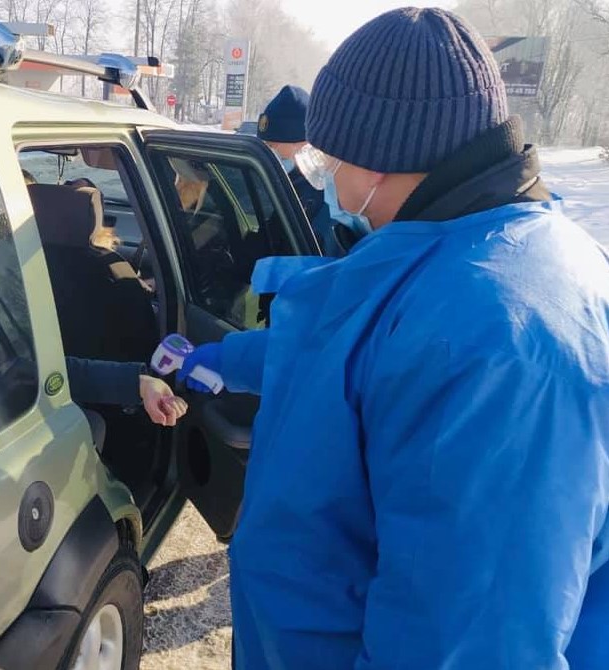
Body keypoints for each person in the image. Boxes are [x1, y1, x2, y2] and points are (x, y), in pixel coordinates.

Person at [180, 8, 609, 670]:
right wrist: (216, 359)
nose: (329, 176)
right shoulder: (450, 257)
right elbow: (343, 355)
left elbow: (467, 644)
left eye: (333, 157)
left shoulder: (500, 337)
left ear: (384, 156)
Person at [257, 85, 338, 255]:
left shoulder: (329, 196)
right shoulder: (291, 184)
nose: (269, 152)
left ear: (303, 144)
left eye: (272, 145)